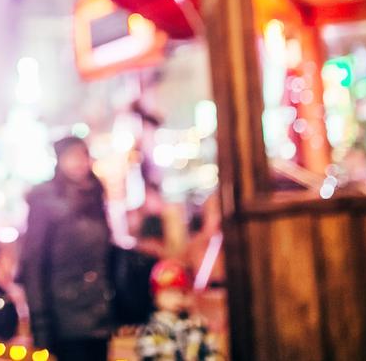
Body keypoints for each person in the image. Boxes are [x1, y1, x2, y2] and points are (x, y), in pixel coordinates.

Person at [19, 136, 115, 361]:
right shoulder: (45, 198)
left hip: (99, 309)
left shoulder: (95, 194)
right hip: (64, 313)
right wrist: (40, 323)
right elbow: (34, 263)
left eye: (83, 156)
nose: (79, 163)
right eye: (72, 156)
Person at [135, 259, 220, 361]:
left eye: (182, 292)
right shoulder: (151, 330)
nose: (178, 298)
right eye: (170, 293)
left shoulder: (195, 326)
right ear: (156, 297)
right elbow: (152, 355)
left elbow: (211, 352)